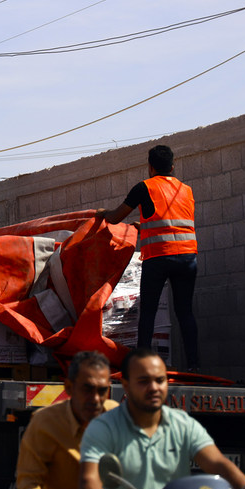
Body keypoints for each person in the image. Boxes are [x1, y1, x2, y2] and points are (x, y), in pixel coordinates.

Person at [78, 349, 245, 489]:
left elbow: (217, 463)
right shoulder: (103, 427)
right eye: (144, 381)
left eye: (160, 380)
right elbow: (89, 481)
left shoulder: (182, 424)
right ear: (127, 386)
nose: (154, 387)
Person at [94, 144, 199, 370]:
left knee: (148, 312)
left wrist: (101, 214)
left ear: (150, 167)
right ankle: (194, 366)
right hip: (188, 260)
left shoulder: (144, 188)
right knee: (185, 312)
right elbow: (173, 224)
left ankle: (140, 366)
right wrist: (144, 227)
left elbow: (114, 217)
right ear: (172, 166)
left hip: (159, 258)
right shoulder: (186, 190)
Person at [16, 351, 119, 489]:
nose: (95, 399)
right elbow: (28, 482)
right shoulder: (45, 423)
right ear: (69, 387)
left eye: (102, 391)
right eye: (87, 389)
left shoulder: (115, 416)